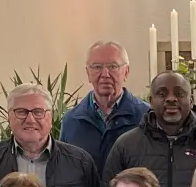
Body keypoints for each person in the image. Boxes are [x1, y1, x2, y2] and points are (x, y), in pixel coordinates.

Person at [60, 41, 152, 171]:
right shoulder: (71, 121)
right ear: (88, 73)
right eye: (97, 67)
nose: (105, 74)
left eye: (112, 66)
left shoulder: (147, 117)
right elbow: (64, 171)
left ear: (126, 72)